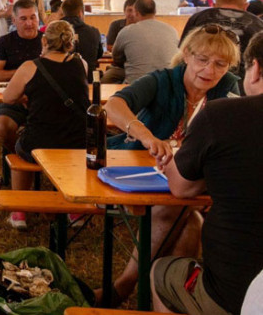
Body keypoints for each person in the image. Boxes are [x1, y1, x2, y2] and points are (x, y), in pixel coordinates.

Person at [103, 24, 240, 306]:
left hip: (186, 180)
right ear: (187, 55)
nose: (209, 71)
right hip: (139, 171)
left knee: (188, 220)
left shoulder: (229, 87)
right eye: (202, 60)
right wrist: (146, 136)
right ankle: (139, 291)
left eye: (220, 64)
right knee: (184, 216)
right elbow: (114, 105)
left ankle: (141, 292)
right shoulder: (162, 80)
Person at [151, 31, 263, 315]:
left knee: (161, 272)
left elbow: (181, 188)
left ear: (256, 68)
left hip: (231, 293)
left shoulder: (220, 115)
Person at [1, 20, 88, 229]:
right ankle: (75, 210)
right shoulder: (81, 64)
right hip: (76, 142)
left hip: (39, 143)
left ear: (44, 41)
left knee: (20, 149)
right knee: (64, 147)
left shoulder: (30, 67)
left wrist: (27, 95)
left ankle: (19, 211)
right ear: (70, 43)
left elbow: (8, 98)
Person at [180, 0, 263, 82]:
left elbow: (182, 51)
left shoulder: (198, 18)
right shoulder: (258, 24)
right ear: (246, 6)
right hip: (241, 84)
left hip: (198, 79)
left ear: (214, 4)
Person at [0, 0, 43, 152]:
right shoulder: (4, 42)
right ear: (14, 20)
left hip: (44, 100)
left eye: (33, 18)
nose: (29, 23)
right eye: (23, 19)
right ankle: (19, 154)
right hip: (14, 99)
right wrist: (24, 73)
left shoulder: (47, 41)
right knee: (2, 126)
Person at [109, 0, 179, 84]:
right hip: (168, 85)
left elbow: (116, 58)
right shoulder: (172, 30)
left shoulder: (127, 31)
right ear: (155, 12)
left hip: (135, 87)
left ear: (136, 13)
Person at [61, 0, 104, 77]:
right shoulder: (94, 32)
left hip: (61, 81)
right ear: (81, 13)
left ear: (63, 13)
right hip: (89, 79)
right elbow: (99, 55)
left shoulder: (56, 32)